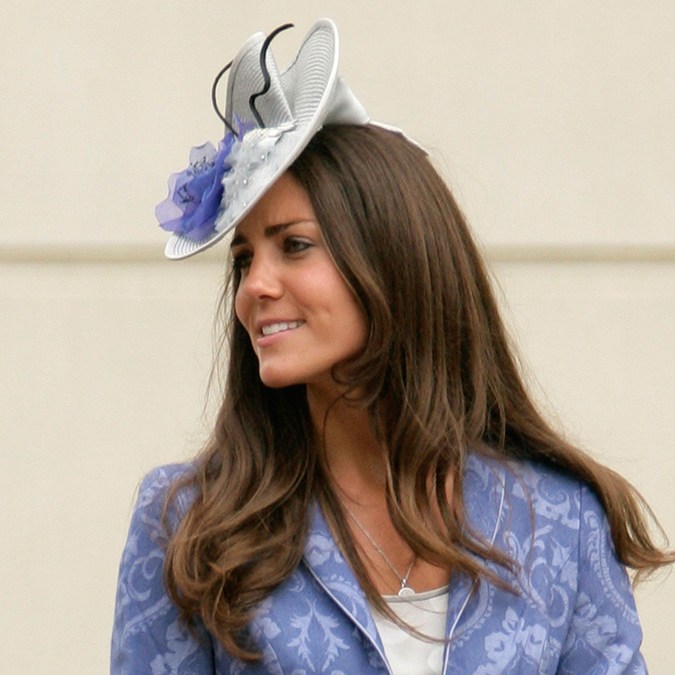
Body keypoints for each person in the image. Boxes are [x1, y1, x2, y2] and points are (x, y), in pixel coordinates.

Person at [111, 19, 673, 674]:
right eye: (243, 259)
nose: (255, 286)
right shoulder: (189, 522)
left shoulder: (559, 520)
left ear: (393, 258)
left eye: (294, 245)